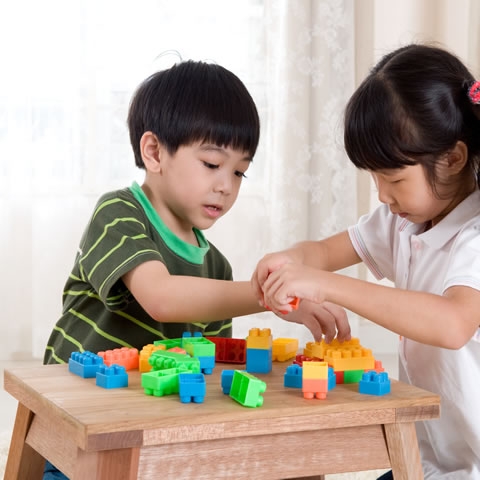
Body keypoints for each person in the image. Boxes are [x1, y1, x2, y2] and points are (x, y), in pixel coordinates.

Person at [42, 60, 350, 479]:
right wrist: (268, 292)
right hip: (81, 425)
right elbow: (161, 297)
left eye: (239, 172)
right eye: (211, 164)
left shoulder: (216, 266)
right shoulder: (118, 214)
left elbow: (209, 368)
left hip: (156, 434)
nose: (226, 185)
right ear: (154, 152)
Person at [251, 44, 480, 479]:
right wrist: (286, 261)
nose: (382, 195)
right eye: (375, 177)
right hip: (426, 464)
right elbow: (323, 252)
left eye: (394, 178)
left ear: (452, 158)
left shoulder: (475, 237)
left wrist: (326, 284)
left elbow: (453, 324)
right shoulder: (403, 222)